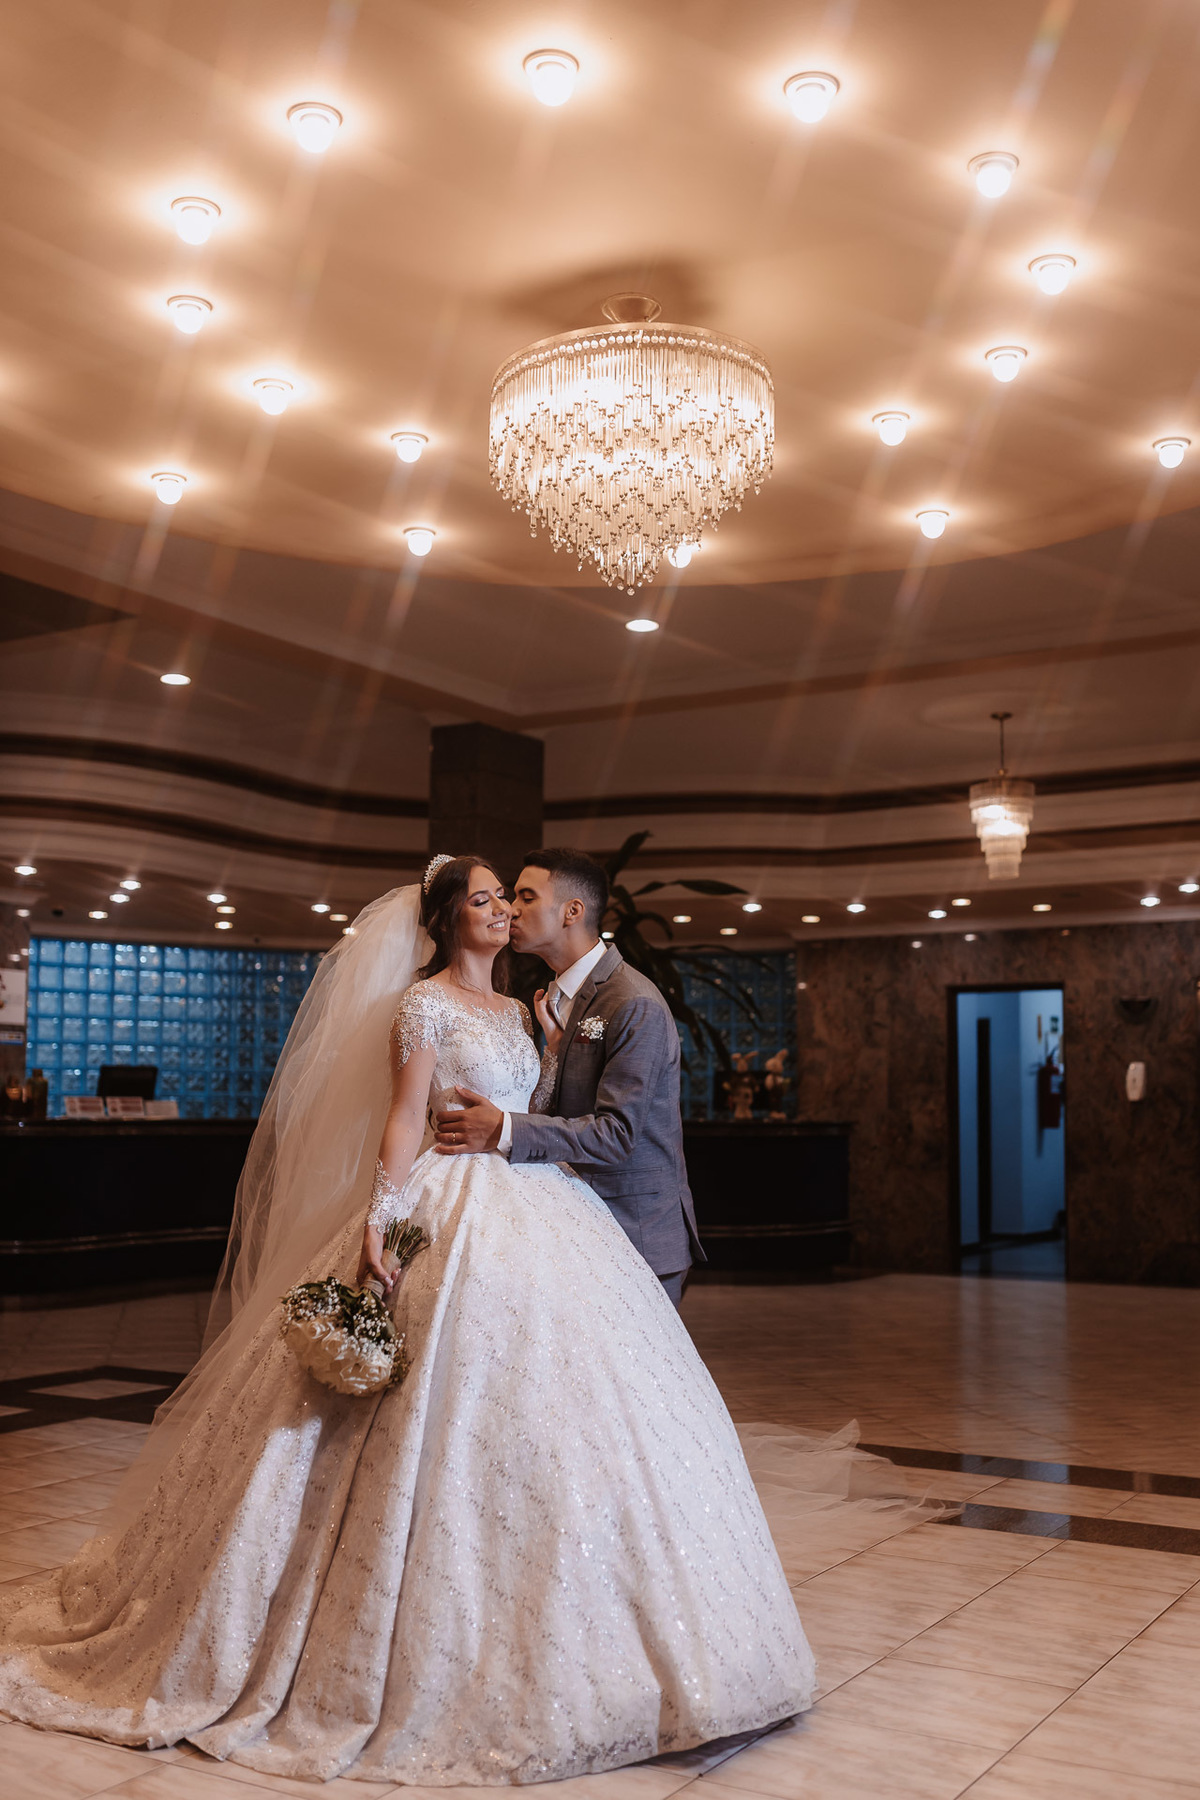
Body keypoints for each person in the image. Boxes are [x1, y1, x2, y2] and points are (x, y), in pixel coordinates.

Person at [0, 856, 819, 1787]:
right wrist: (382, 1218)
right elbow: (402, 1120)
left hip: (538, 1205)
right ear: (447, 919)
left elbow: (560, 1116)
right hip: (450, 1199)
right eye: (487, 898)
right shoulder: (422, 1005)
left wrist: (520, 1109)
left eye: (515, 897)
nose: (505, 910)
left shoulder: (532, 1012)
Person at [434, 847, 702, 1306]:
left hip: (634, 1233)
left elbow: (617, 1134)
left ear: (571, 912)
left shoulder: (632, 1002)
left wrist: (503, 1128)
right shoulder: (556, 998)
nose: (510, 910)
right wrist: (554, 1056)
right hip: (576, 1229)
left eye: (527, 897)